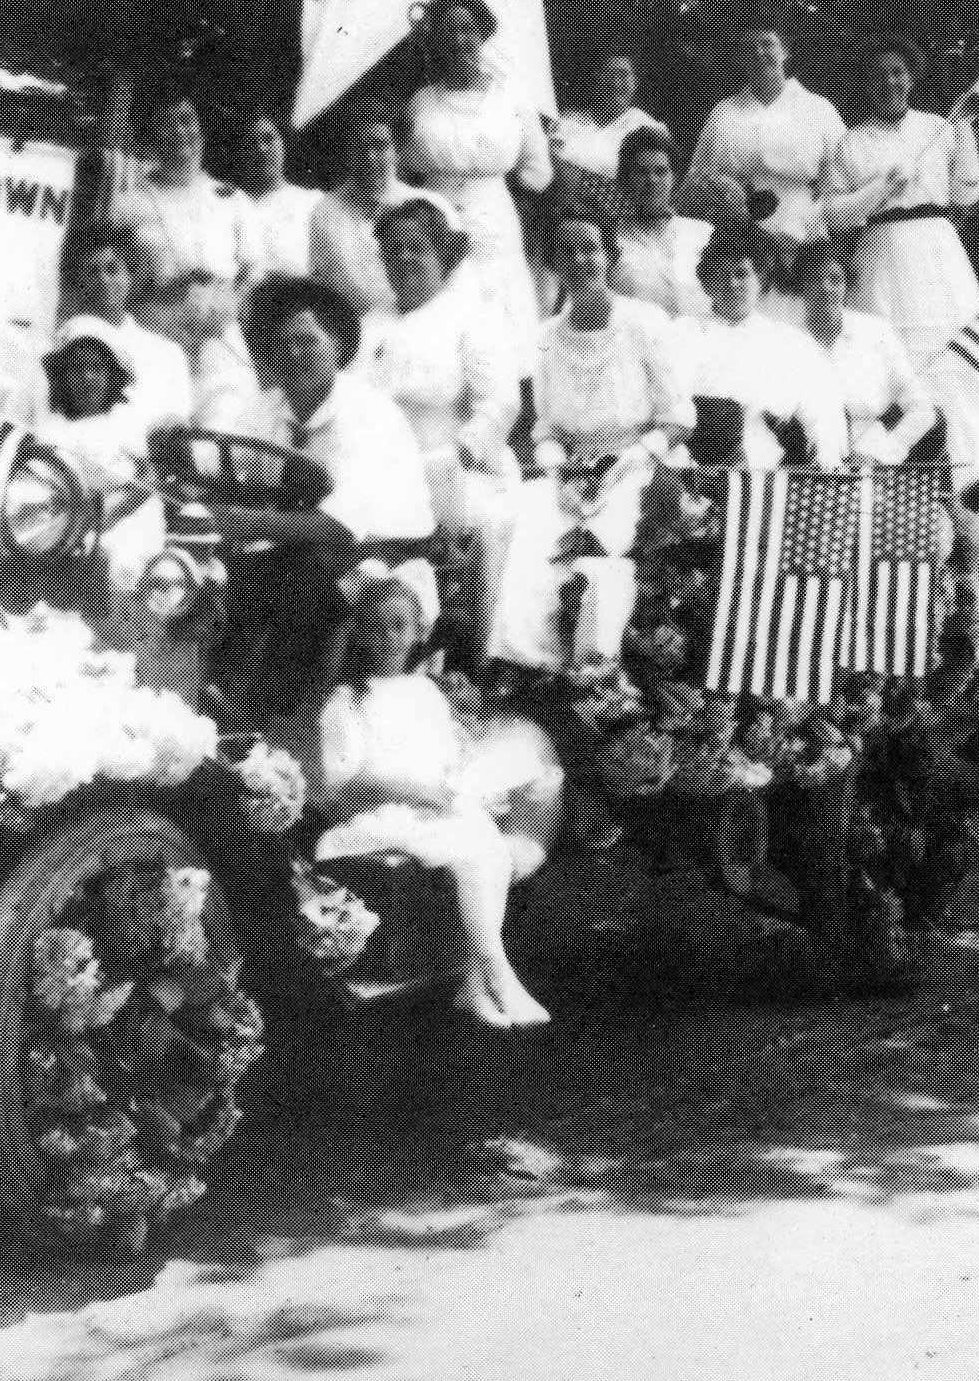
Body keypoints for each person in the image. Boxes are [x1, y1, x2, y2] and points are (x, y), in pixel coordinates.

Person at [315, 562, 562, 1029]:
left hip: (429, 807)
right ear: (362, 634)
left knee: (487, 845)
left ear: (416, 634)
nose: (390, 637)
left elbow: (446, 758)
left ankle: (477, 979)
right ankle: (495, 972)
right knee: (474, 847)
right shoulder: (347, 701)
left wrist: (462, 776)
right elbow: (337, 789)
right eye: (379, 627)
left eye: (401, 626)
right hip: (373, 816)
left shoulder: (425, 691)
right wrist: (418, 791)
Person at [207, 277, 437, 719]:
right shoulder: (265, 407)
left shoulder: (368, 413)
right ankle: (202, 691)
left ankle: (270, 711)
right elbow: (231, 475)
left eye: (306, 340)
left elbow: (339, 525)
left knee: (306, 570)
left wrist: (239, 523)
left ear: (337, 343)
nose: (293, 354)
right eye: (279, 345)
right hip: (292, 542)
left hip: (381, 548)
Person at [484, 208, 694, 672]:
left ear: (609, 256)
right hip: (571, 469)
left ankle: (592, 669)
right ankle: (526, 665)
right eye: (568, 252)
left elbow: (679, 415)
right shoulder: (545, 339)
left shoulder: (644, 325)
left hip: (643, 462)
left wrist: (630, 460)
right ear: (555, 265)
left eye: (590, 249)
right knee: (528, 525)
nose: (580, 261)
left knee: (601, 547)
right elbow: (544, 428)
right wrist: (560, 467)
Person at [359, 195, 519, 543]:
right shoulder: (370, 324)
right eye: (393, 250)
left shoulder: (473, 316)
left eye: (416, 247)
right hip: (380, 475)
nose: (404, 258)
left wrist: (461, 453)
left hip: (459, 476)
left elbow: (499, 403)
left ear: (442, 254)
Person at [402, 0, 554, 351]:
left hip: (495, 221)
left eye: (468, 29)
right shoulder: (421, 102)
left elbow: (538, 171)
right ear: (437, 41)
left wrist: (507, 197)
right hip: (434, 220)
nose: (460, 41)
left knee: (502, 318)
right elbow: (404, 169)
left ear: (483, 33)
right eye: (450, 32)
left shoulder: (511, 98)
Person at [818, 35, 979, 365]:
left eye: (897, 73)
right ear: (866, 85)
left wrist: (964, 129)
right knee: (886, 350)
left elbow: (966, 192)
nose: (889, 83)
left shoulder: (937, 127)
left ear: (910, 77)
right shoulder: (852, 142)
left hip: (938, 250)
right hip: (883, 253)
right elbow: (832, 215)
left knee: (948, 347)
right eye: (878, 76)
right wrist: (881, 188)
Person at [111, 84, 263, 425]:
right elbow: (113, 280)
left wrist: (227, 304)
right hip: (157, 333)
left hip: (219, 334)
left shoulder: (233, 200)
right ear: (151, 135)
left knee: (222, 428)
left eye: (187, 120)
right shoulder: (126, 205)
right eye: (167, 123)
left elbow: (254, 272)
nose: (180, 132)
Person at [678, 224, 848, 469]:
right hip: (696, 464)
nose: (733, 284)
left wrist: (824, 459)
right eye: (723, 275)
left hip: (770, 471)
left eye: (741, 274)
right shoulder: (683, 334)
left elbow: (824, 416)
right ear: (708, 284)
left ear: (760, 280)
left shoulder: (790, 343)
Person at [688, 22, 846, 252]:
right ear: (741, 58)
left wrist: (799, 228)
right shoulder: (723, 114)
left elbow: (839, 184)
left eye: (767, 44)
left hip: (805, 237)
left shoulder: (819, 110)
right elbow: (696, 183)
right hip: (737, 241)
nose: (759, 53)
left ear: (784, 51)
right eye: (749, 47)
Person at [33, 323, 163, 589]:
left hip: (117, 545)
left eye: (97, 368)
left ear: (112, 375)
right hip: (51, 538)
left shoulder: (128, 424)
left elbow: (148, 482)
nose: (87, 377)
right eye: (77, 368)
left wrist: (106, 515)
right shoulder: (47, 424)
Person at [797, 242, 937, 466]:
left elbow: (923, 410)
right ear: (801, 286)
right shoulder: (789, 343)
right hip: (803, 462)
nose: (826, 288)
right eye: (815, 279)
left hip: (869, 463)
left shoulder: (875, 332)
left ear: (845, 284)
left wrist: (882, 454)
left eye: (835, 278)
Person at [306, 100, 436, 320]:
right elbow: (322, 289)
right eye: (359, 147)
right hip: (361, 332)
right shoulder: (325, 214)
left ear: (397, 150)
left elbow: (454, 286)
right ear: (346, 153)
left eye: (380, 145)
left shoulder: (428, 205)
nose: (370, 158)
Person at [56, 224, 194, 428]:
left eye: (113, 270)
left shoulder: (168, 354)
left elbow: (175, 429)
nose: (103, 280)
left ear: (130, 276)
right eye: (92, 272)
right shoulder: (62, 345)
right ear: (79, 281)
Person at [605, 124, 709, 322]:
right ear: (626, 180)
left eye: (661, 171)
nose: (652, 180)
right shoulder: (610, 238)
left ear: (674, 178)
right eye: (641, 172)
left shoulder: (702, 234)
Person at [234, 106, 322, 280]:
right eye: (252, 143)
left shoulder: (313, 203)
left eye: (268, 139)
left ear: (283, 141)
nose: (261, 149)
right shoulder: (230, 207)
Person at [552, 50, 656, 194]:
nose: (615, 83)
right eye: (608, 74)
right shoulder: (568, 121)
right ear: (595, 79)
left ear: (635, 82)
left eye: (623, 74)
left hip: (616, 212)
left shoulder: (647, 130)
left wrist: (575, 179)